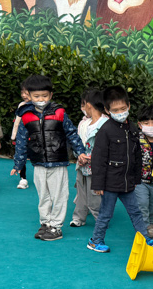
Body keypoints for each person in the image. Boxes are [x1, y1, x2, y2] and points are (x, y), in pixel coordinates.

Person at [13, 74, 87, 241]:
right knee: (43, 195)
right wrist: (18, 163)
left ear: (51, 95)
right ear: (29, 96)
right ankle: (45, 222)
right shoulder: (26, 115)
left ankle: (56, 226)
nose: (41, 99)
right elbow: (21, 140)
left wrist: (80, 151)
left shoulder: (59, 112)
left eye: (44, 96)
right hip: (38, 162)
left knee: (59, 195)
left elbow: (71, 133)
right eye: (37, 96)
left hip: (58, 161)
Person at [86, 85, 152, 253]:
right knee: (106, 214)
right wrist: (98, 184)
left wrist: (136, 178)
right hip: (110, 183)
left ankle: (144, 238)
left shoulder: (132, 129)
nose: (120, 112)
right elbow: (98, 159)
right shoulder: (105, 131)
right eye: (115, 110)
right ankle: (95, 241)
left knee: (135, 212)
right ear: (107, 111)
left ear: (128, 106)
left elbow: (137, 155)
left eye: (123, 108)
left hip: (127, 182)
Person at [69, 87, 105, 228]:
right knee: (81, 192)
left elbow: (106, 147)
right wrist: (79, 155)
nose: (82, 108)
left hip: (96, 168)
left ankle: (100, 219)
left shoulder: (105, 124)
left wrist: (92, 157)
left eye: (83, 104)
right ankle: (78, 217)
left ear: (88, 105)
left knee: (95, 194)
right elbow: (78, 142)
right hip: (81, 165)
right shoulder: (83, 124)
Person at [134, 106, 153, 238]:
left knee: (152, 206)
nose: (150, 126)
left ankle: (150, 225)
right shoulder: (136, 139)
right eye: (146, 123)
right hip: (140, 180)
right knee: (142, 204)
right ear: (140, 125)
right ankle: (145, 229)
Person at [9, 83, 29, 189]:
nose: (24, 95)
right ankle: (23, 178)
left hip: (36, 138)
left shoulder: (39, 106)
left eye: (26, 93)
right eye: (22, 93)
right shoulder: (21, 105)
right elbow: (17, 122)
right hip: (23, 135)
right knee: (21, 155)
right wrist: (14, 135)